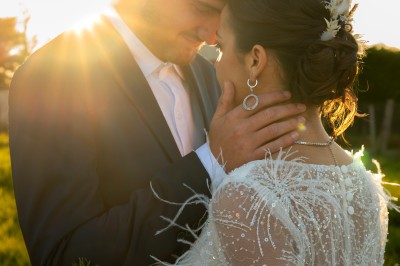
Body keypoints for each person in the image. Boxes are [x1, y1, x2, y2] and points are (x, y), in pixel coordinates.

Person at [8, 0, 306, 265]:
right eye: (202, 8)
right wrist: (210, 162)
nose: (213, 36)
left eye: (221, 14)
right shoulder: (52, 75)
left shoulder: (209, 74)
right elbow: (66, 253)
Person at [152, 0, 399, 265]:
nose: (216, 65)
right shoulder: (364, 186)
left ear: (256, 60)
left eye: (220, 47)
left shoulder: (248, 196)